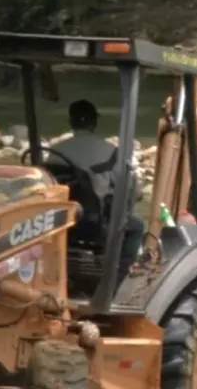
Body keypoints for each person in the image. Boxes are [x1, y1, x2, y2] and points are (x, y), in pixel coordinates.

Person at [49, 99, 145, 275]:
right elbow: (133, 192)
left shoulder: (54, 152)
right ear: (94, 122)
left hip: (58, 220)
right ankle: (120, 277)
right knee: (137, 227)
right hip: (92, 223)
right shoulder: (109, 152)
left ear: (71, 122)